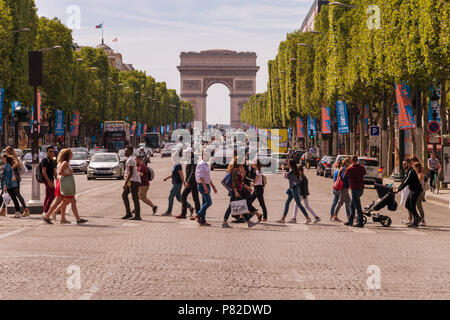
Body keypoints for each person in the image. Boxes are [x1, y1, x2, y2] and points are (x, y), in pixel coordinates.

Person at [43, 149, 88, 225]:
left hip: (62, 184)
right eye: (71, 154)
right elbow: (59, 172)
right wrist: (69, 172)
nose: (72, 155)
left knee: (71, 201)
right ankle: (49, 215)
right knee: (62, 201)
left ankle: (69, 218)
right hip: (63, 185)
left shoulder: (63, 162)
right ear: (68, 155)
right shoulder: (65, 163)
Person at [222, 157, 258, 229]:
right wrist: (235, 191)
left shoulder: (237, 170)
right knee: (235, 207)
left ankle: (248, 222)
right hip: (236, 191)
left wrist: (246, 187)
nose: (243, 163)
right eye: (242, 161)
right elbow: (234, 182)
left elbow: (240, 181)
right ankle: (224, 222)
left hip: (238, 191)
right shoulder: (235, 170)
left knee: (241, 207)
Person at [276, 159, 310, 224]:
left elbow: (285, 176)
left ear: (290, 165)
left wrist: (283, 169)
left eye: (288, 163)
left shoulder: (292, 172)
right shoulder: (295, 171)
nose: (287, 164)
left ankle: (307, 218)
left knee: (298, 204)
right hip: (293, 189)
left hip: (294, 189)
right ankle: (283, 218)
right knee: (287, 203)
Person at [162, 152, 193, 217]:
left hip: (177, 183)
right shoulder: (176, 164)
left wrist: (184, 182)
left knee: (170, 197)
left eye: (173, 157)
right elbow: (174, 174)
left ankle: (168, 212)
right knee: (179, 198)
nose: (172, 158)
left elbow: (181, 174)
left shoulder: (178, 165)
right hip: (176, 183)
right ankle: (190, 207)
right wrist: (167, 178)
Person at [396, 159, 423, 228]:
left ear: (409, 164)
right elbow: (404, 180)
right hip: (412, 190)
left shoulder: (411, 171)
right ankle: (418, 217)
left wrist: (399, 189)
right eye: (403, 164)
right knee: (407, 205)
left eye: (404, 164)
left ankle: (416, 222)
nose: (403, 165)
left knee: (412, 206)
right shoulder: (409, 171)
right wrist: (398, 188)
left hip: (416, 190)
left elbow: (406, 182)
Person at [5, 146, 30, 217]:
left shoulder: (12, 157)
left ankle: (24, 210)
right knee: (14, 194)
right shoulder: (13, 157)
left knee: (16, 194)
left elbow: (17, 164)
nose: (6, 153)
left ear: (9, 151)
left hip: (14, 179)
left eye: (6, 151)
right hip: (14, 178)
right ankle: (21, 211)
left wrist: (10, 169)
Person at [176, 148, 200, 219]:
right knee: (183, 196)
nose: (185, 154)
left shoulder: (193, 160)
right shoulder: (190, 160)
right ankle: (184, 214)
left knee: (195, 199)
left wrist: (188, 182)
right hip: (190, 183)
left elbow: (193, 172)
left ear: (190, 153)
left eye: (186, 153)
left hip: (193, 183)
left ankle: (198, 214)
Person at [195, 151, 217, 226]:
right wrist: (204, 187)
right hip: (202, 185)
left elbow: (208, 177)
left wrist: (213, 186)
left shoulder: (207, 164)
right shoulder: (201, 164)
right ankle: (198, 214)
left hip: (206, 185)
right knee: (209, 202)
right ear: (202, 156)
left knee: (205, 202)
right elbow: (201, 177)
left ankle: (202, 220)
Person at [344, 156, 367, 228]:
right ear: (357, 160)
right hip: (361, 188)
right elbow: (364, 173)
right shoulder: (362, 167)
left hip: (354, 188)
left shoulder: (350, 169)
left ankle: (360, 222)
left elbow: (345, 175)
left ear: (351, 160)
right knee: (352, 205)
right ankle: (350, 221)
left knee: (358, 207)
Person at [122, 146, 142, 221]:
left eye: (126, 151)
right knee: (124, 195)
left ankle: (137, 215)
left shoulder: (130, 159)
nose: (125, 152)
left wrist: (125, 183)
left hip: (134, 181)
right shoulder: (130, 159)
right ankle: (128, 213)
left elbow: (131, 172)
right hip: (132, 180)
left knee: (135, 198)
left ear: (130, 152)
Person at [332, 157, 351, 222]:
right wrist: (347, 185)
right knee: (340, 202)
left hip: (343, 187)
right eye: (350, 163)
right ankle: (335, 215)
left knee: (348, 201)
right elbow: (344, 177)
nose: (350, 164)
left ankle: (352, 215)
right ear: (347, 162)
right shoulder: (345, 168)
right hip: (344, 188)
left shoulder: (342, 168)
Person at [41, 146, 57, 217]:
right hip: (47, 180)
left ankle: (44, 211)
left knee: (48, 195)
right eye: (50, 151)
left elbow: (54, 171)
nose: (52, 153)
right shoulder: (45, 160)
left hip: (51, 179)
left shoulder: (52, 160)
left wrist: (57, 179)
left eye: (53, 151)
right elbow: (43, 172)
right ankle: (46, 211)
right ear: (47, 152)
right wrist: (48, 182)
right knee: (53, 195)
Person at [414, 162, 427, 226]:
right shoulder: (417, 174)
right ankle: (419, 219)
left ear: (417, 167)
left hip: (420, 192)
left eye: (414, 167)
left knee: (419, 206)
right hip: (417, 191)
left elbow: (420, 184)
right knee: (417, 205)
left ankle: (423, 220)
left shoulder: (421, 174)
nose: (414, 168)